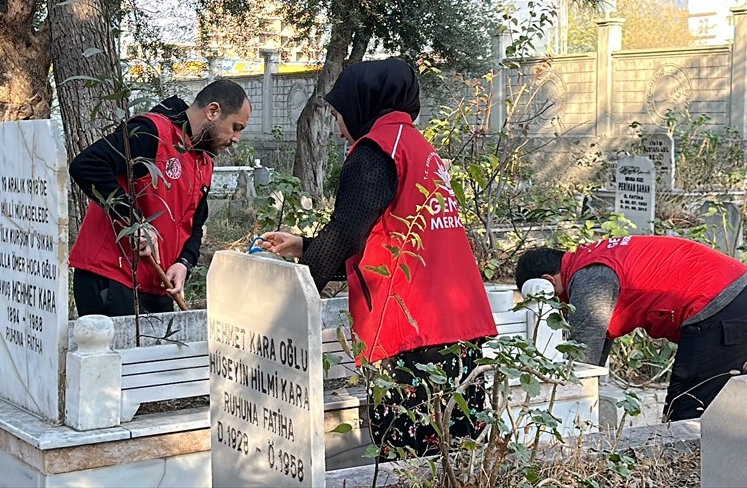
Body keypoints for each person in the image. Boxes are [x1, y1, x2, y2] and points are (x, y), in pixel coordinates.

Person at [260, 58, 496, 457]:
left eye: (339, 115)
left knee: (404, 459)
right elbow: (388, 234)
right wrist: (304, 244)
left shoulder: (375, 152)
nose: (338, 127)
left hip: (410, 333)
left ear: (361, 104)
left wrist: (286, 303)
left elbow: (347, 233)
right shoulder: (421, 152)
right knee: (456, 456)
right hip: (459, 330)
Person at [514, 235, 747, 421]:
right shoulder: (593, 260)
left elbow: (581, 367)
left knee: (687, 414)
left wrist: (552, 414)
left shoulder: (588, 279)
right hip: (742, 297)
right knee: (717, 411)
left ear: (548, 282)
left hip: (723, 305)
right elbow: (593, 357)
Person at [69, 80, 251, 317]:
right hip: (111, 278)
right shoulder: (151, 132)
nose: (236, 138)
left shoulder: (203, 162)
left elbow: (194, 226)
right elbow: (87, 165)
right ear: (213, 111)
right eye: (235, 127)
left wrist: (183, 262)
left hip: (158, 284)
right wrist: (136, 223)